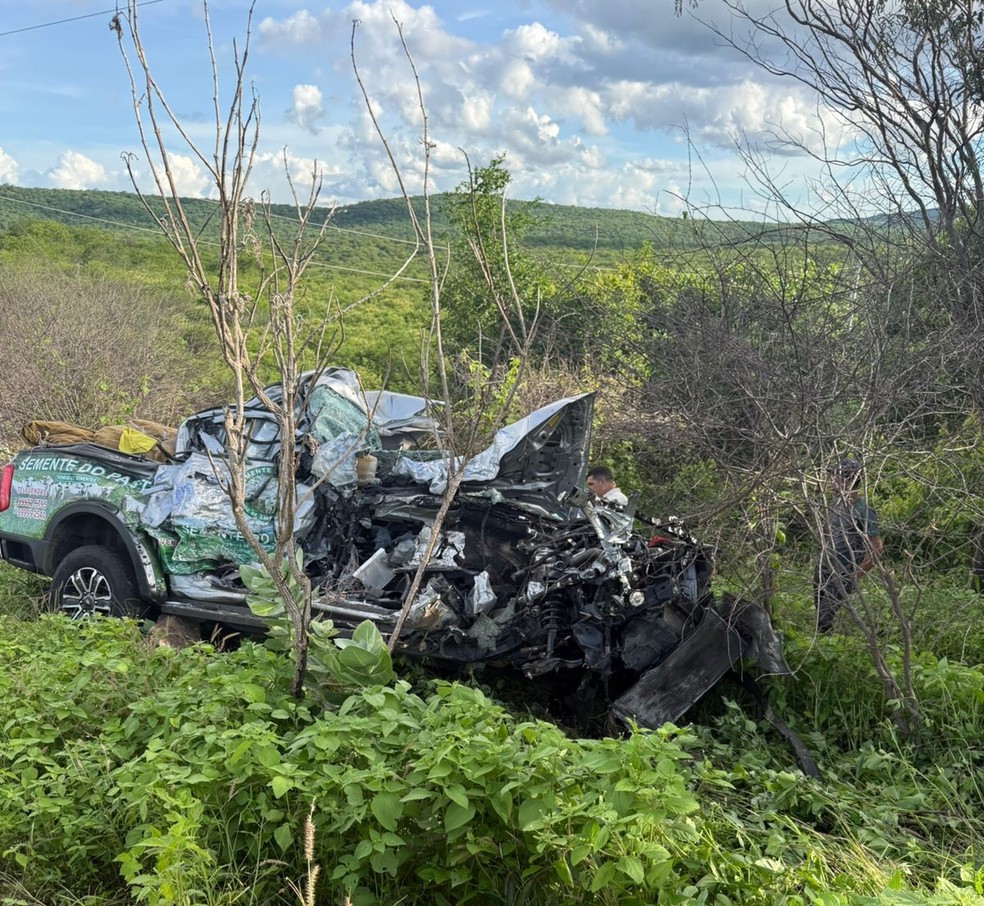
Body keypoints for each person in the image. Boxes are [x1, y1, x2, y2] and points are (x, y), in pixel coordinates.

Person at [814, 457, 883, 633]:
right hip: (825, 569)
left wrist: (854, 575)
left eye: (836, 477)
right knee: (820, 615)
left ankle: (827, 654)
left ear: (848, 480)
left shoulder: (863, 511)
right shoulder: (835, 505)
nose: (831, 482)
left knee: (824, 618)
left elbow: (876, 549)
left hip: (842, 573)